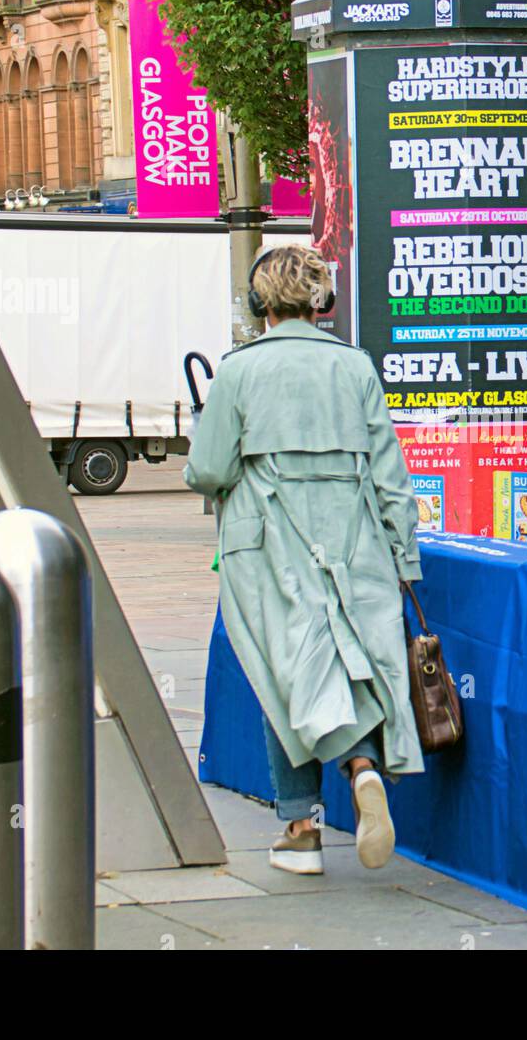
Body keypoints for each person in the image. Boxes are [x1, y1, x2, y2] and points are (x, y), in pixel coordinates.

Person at [185, 245, 423, 877]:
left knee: (283, 677)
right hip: (356, 539)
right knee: (348, 670)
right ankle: (361, 771)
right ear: (323, 302)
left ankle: (307, 820)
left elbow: (208, 469)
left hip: (268, 543)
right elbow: (390, 472)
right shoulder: (355, 367)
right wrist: (404, 554)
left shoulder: (237, 371)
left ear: (260, 304)